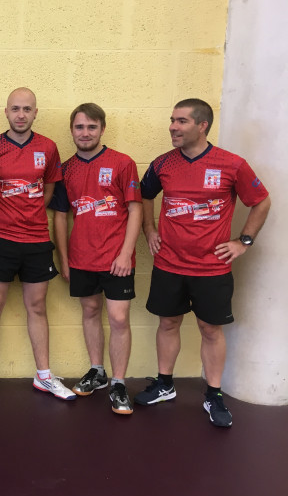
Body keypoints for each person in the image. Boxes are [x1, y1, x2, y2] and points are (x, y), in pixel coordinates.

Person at [136, 98, 270, 427]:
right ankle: (165, 385)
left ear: (202, 125)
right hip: (169, 264)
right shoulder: (162, 163)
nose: (173, 127)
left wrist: (243, 241)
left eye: (181, 121)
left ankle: (213, 395)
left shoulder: (231, 164)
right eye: (172, 120)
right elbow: (145, 195)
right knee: (168, 323)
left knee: (210, 329)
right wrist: (149, 229)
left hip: (212, 268)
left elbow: (261, 201)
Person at [0, 87, 72, 401]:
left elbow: (50, 186)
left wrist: (32, 212)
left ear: (35, 112)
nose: (21, 114)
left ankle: (44, 375)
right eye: (15, 108)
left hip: (37, 240)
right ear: (6, 111)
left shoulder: (48, 147)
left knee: (37, 307)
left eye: (27, 109)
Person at [50, 103, 142, 414]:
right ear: (71, 130)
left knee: (119, 318)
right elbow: (60, 216)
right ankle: (97, 371)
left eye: (92, 127)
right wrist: (64, 258)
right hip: (81, 258)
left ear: (102, 129)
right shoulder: (65, 169)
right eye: (79, 127)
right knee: (90, 311)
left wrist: (126, 253)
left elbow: (135, 209)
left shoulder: (122, 163)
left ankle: (118, 383)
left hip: (117, 259)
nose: (85, 133)